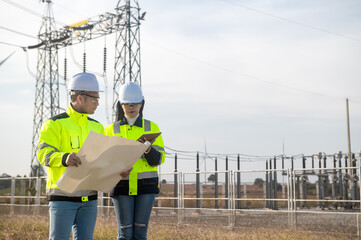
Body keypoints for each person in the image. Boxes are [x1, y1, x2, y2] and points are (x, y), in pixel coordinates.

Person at [37, 72, 104, 240]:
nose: (97, 103)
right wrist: (64, 158)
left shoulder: (98, 127)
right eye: (94, 99)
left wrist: (117, 170)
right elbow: (43, 153)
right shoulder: (54, 124)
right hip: (62, 197)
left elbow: (101, 160)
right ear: (80, 98)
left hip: (89, 198)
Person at [105, 81, 165, 240]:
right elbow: (104, 160)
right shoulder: (110, 129)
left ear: (141, 104)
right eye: (127, 104)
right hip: (121, 184)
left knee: (140, 232)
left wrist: (148, 149)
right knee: (124, 232)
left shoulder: (151, 127)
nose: (131, 107)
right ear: (121, 105)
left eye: (135, 104)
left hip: (146, 187)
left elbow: (159, 159)